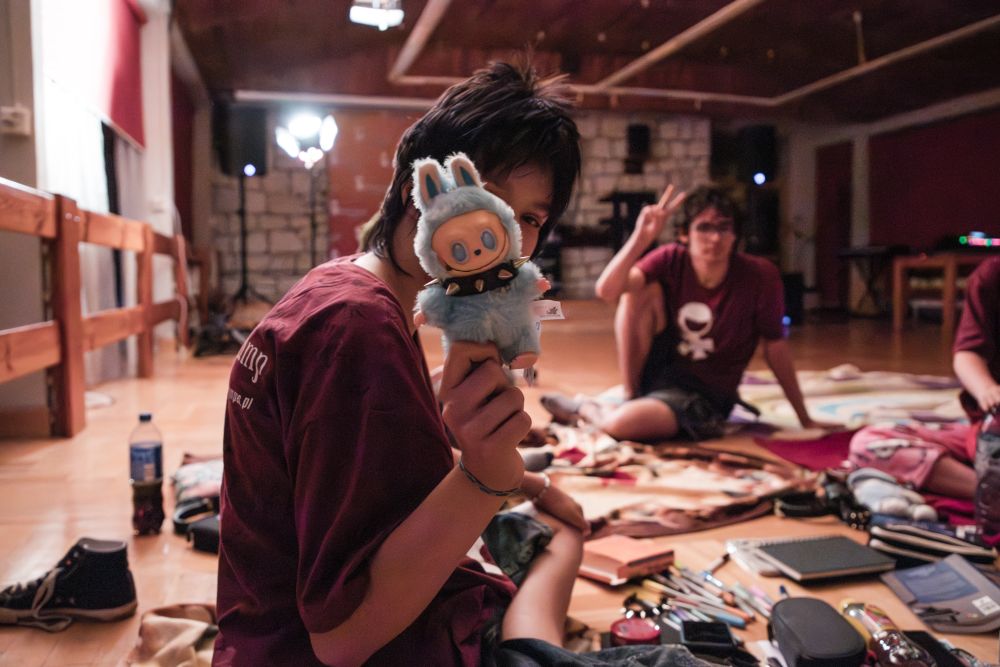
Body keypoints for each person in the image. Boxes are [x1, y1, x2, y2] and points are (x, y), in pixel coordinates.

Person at [213, 61, 588, 667]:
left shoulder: (351, 287)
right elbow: (341, 639)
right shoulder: (357, 328)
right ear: (421, 189)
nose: (504, 238)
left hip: (264, 632)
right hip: (334, 648)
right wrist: (488, 474)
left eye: (530, 219)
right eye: (488, 199)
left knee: (558, 528)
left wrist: (526, 480)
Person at [543, 185, 835, 442]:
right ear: (685, 234)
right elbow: (608, 290)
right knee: (637, 289)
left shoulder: (760, 275)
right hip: (658, 375)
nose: (715, 238)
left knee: (622, 425)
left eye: (724, 227)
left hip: (705, 395)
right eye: (704, 228)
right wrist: (642, 237)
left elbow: (775, 347)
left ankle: (586, 408)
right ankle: (630, 397)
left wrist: (804, 418)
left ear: (735, 235)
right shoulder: (672, 258)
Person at [846, 256, 1000, 503]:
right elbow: (968, 353)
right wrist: (987, 389)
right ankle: (986, 491)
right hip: (988, 434)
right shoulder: (993, 275)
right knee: (871, 443)